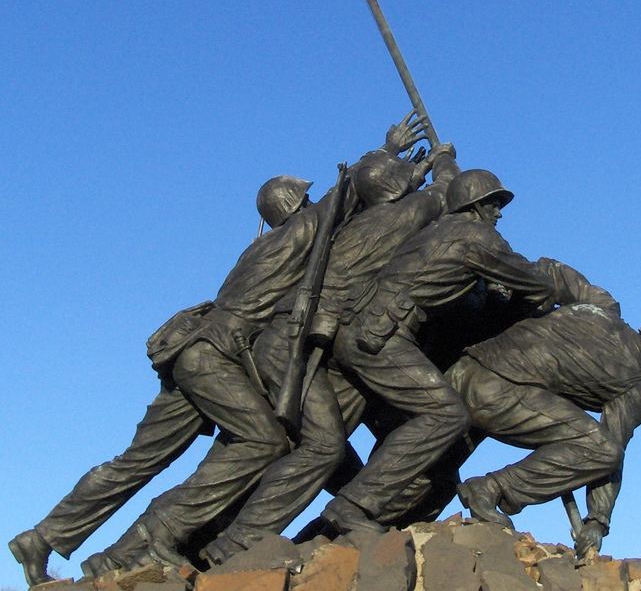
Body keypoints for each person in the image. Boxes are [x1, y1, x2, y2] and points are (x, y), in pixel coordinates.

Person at [8, 114, 424, 585]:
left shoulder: (259, 248)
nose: (310, 202)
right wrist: (388, 152)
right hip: (212, 357)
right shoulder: (291, 238)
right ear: (293, 207)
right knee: (263, 441)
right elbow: (339, 201)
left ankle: (49, 539)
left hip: (197, 353)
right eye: (303, 198)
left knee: (137, 461)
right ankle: (161, 530)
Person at [201, 143, 459, 564]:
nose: (308, 203)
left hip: (319, 343)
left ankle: (282, 532)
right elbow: (447, 193)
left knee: (317, 448)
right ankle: (235, 541)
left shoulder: (344, 229)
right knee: (324, 446)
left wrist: (401, 159)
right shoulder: (398, 218)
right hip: (299, 343)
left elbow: (355, 194)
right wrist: (443, 158)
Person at [319, 169, 560, 533]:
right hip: (383, 335)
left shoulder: (436, 230)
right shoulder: (478, 237)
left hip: (356, 328)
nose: (499, 212)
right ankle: (351, 504)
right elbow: (537, 284)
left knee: (336, 434)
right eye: (494, 203)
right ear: (475, 206)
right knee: (447, 416)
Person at [452, 305, 641, 558]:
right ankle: (491, 488)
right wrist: (597, 522)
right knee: (603, 450)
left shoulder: (594, 313)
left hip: (459, 373)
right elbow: (610, 450)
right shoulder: (638, 385)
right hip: (495, 394)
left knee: (428, 483)